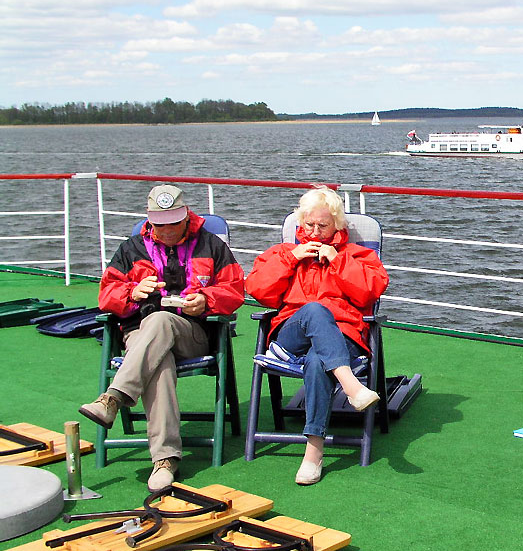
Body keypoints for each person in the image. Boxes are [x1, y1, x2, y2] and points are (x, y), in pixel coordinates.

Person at [79, 184, 245, 491]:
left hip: (191, 333)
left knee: (160, 321)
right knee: (159, 361)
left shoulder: (211, 245)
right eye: (160, 223)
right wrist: (132, 292)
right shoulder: (130, 249)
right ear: (149, 220)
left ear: (185, 218)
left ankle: (113, 398)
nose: (167, 230)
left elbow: (235, 290)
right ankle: (165, 459)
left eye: (173, 222)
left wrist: (206, 300)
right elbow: (106, 295)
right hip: (141, 338)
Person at [245, 186, 389, 486]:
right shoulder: (283, 253)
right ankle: (351, 386)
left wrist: (337, 261)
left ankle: (313, 452)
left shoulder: (355, 254)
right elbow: (257, 289)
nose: (313, 232)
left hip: (342, 335)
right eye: (308, 225)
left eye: (322, 226)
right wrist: (290, 259)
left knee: (316, 361)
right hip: (291, 336)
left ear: (337, 225)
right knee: (314, 310)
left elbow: (371, 291)